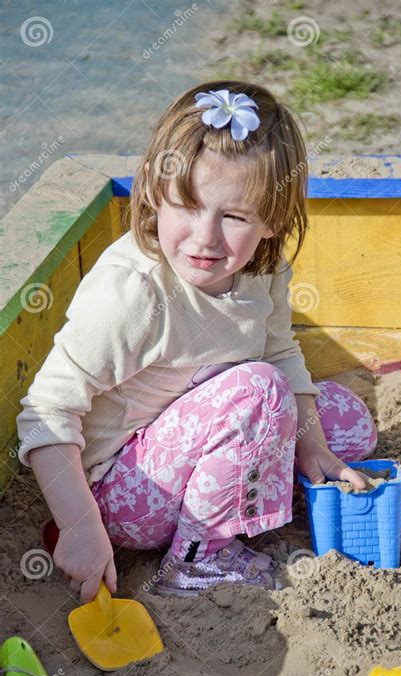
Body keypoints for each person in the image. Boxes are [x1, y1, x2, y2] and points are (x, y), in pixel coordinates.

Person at [17, 81, 377, 602]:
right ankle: (198, 560)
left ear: (272, 221)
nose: (205, 238)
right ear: (153, 196)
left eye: (233, 216)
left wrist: (311, 444)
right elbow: (45, 412)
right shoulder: (134, 294)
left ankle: (242, 501)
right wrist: (77, 525)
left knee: (346, 423)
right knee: (260, 389)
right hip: (123, 496)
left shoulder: (264, 268)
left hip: (199, 438)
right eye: (186, 206)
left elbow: (280, 349)